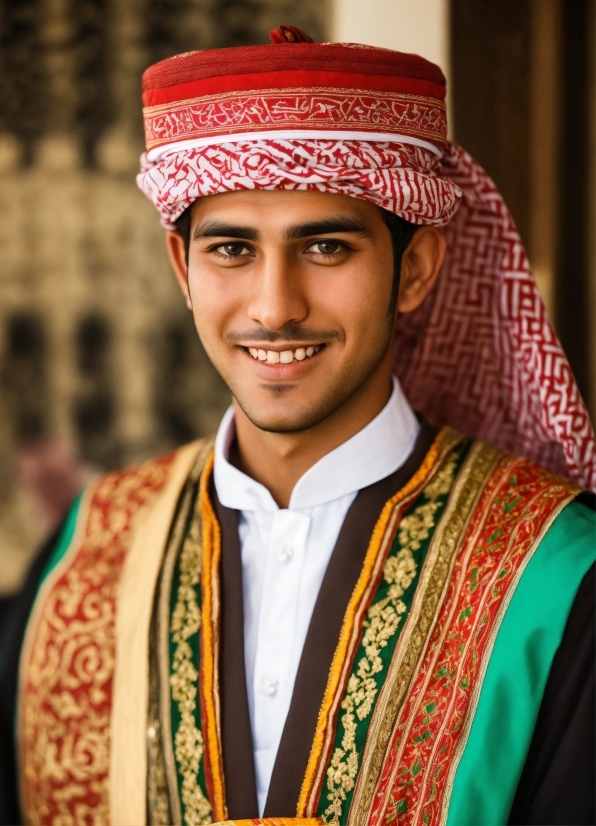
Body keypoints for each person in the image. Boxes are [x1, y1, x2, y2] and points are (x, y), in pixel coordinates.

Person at [1, 25, 594, 826]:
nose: (275, 307)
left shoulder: (553, 575)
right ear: (183, 269)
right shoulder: (86, 555)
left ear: (415, 269)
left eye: (324, 247)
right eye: (233, 251)